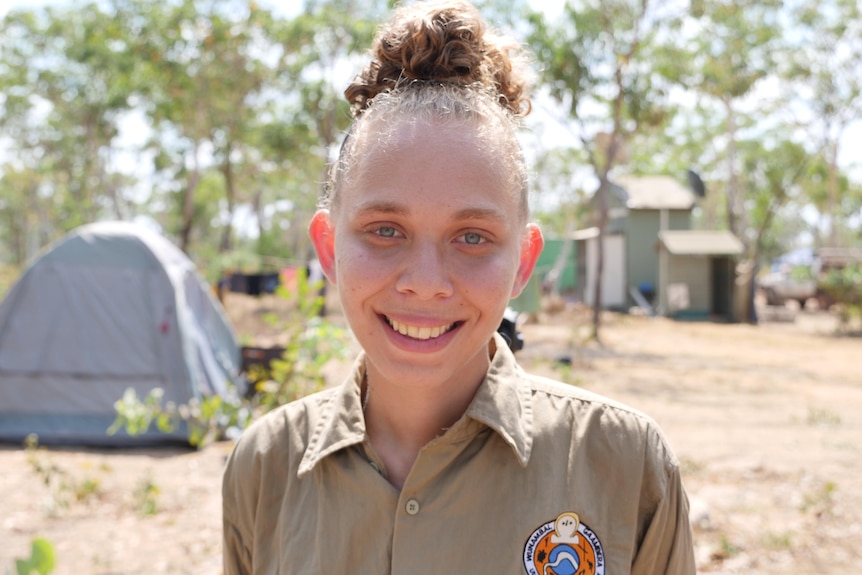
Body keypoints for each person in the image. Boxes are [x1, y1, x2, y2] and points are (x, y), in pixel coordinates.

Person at [222, 1, 695, 573]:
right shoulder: (265, 466)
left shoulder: (623, 463)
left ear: (523, 261)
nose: (425, 284)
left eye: (471, 237)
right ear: (329, 249)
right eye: (385, 231)